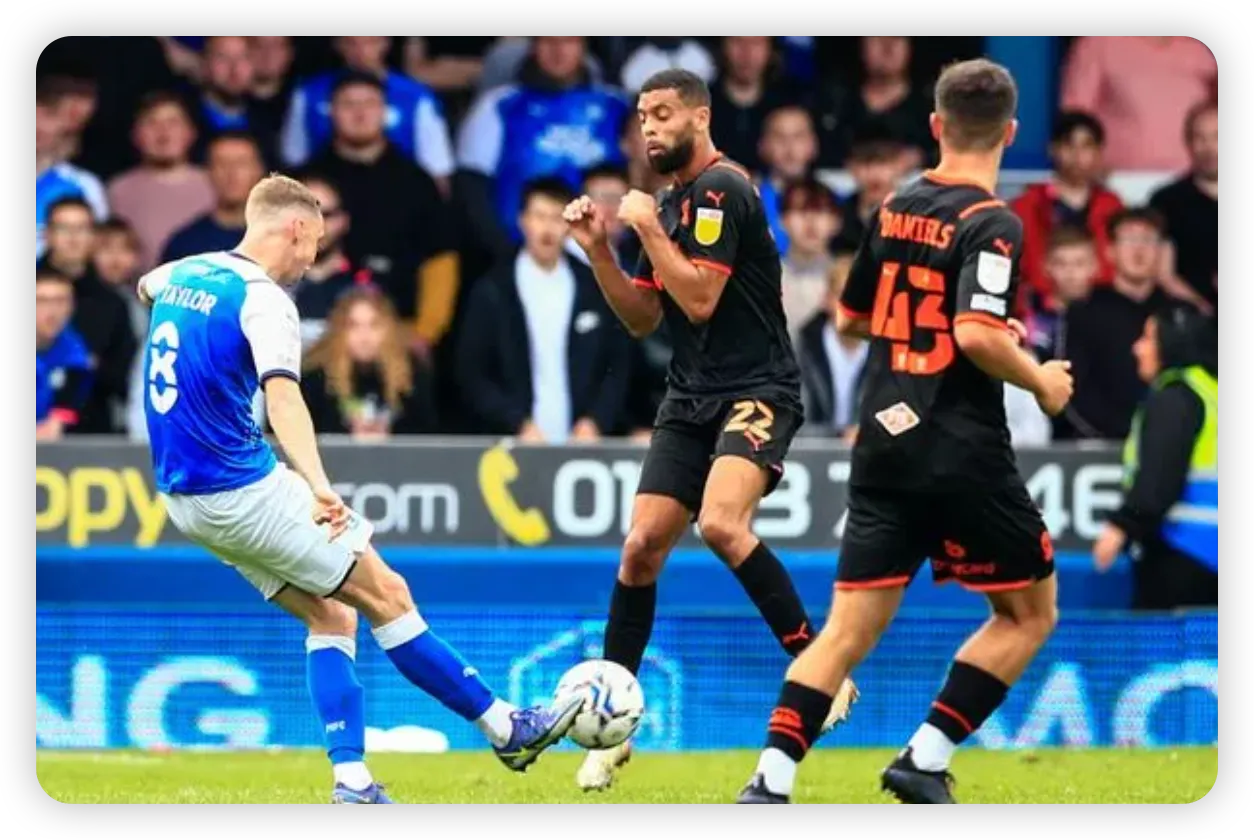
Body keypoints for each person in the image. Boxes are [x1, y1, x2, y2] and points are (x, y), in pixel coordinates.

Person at [135, 174, 579, 805]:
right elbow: (283, 396)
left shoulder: (187, 271)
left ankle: (353, 783)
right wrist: (318, 485)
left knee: (331, 611)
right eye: (312, 243)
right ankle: (506, 727)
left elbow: (144, 286)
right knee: (387, 593)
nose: (310, 260)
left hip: (185, 501)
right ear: (293, 228)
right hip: (240, 484)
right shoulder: (264, 299)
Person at [735, 59, 1075, 805]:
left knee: (846, 630)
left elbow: (855, 318)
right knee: (1029, 611)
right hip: (961, 448)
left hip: (882, 439)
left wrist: (972, 332)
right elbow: (977, 334)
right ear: (1012, 134)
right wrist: (1040, 377)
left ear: (934, 126)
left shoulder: (897, 203)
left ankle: (770, 782)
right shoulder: (993, 221)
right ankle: (923, 757)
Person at [563, 68, 858, 793]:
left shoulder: (723, 187)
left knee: (724, 524)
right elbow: (643, 317)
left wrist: (641, 226)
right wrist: (600, 249)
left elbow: (698, 299)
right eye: (641, 117)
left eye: (663, 113)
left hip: (758, 389)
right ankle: (614, 722)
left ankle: (822, 670)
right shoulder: (667, 205)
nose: (650, 128)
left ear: (701, 115)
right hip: (689, 397)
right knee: (640, 549)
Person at [1093, 304, 1218, 609]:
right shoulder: (1209, 390)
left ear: (1170, 343)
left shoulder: (1175, 397)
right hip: (1207, 559)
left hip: (1183, 555)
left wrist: (1122, 525)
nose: (1137, 348)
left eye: (1147, 339)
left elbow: (1160, 478)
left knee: (1161, 656)